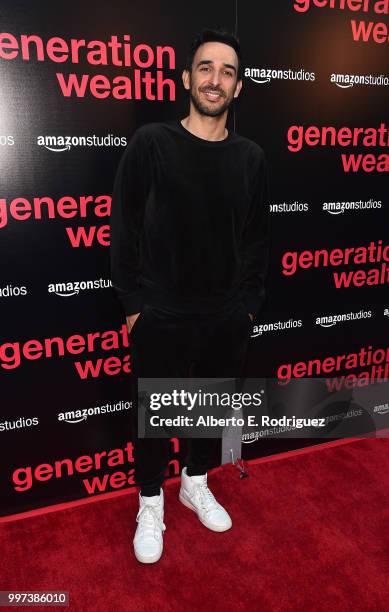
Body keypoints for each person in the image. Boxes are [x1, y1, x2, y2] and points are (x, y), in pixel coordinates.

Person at [110, 26, 270, 564]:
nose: (215, 79)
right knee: (156, 416)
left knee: (206, 412)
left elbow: (255, 239)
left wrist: (247, 307)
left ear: (238, 88)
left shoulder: (251, 158)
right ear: (186, 78)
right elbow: (124, 228)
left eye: (227, 71)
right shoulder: (152, 143)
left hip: (225, 314)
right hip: (160, 311)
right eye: (206, 67)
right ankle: (150, 501)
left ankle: (195, 482)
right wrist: (134, 307)